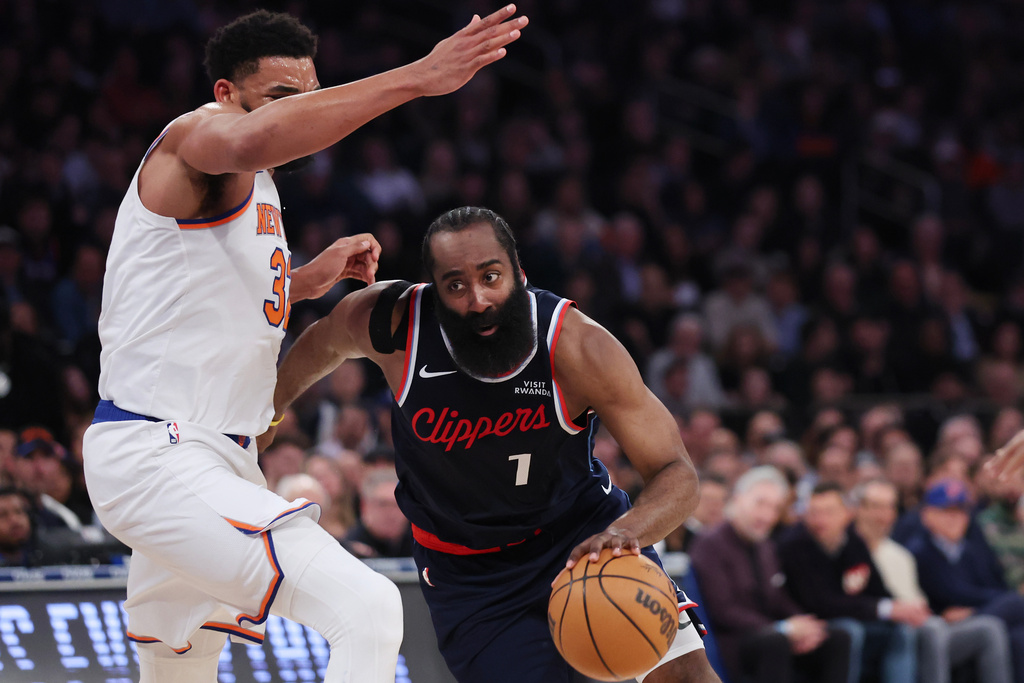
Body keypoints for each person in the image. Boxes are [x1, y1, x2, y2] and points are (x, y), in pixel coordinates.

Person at [81, 8, 528, 683]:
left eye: (313, 93)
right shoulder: (196, 135)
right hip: (161, 453)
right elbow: (252, 138)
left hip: (215, 457)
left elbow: (203, 305)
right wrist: (418, 77)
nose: (304, 113)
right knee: (369, 607)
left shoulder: (255, 192)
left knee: (181, 664)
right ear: (228, 94)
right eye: (284, 96)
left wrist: (307, 278)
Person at [264, 206, 719, 683]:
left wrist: (630, 530)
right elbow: (323, 342)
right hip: (471, 575)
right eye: (455, 285)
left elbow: (677, 472)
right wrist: (269, 412)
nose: (478, 299)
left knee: (688, 676)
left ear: (519, 274)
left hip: (582, 536)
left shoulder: (577, 346)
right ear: (434, 292)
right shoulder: (395, 324)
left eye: (491, 276)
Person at [689, 466, 851, 683]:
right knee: (775, 642)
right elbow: (723, 611)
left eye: (775, 508)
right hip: (731, 641)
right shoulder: (710, 543)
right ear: (737, 499)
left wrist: (802, 624)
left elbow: (777, 598)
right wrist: (781, 628)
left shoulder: (765, 545)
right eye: (760, 504)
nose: (767, 516)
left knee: (837, 636)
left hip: (769, 636)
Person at [853, 478, 1012, 683]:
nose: (883, 515)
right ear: (857, 509)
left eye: (889, 507)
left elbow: (919, 602)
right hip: (882, 627)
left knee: (989, 628)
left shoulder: (900, 555)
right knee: (930, 629)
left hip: (918, 626)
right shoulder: (849, 549)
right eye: (876, 507)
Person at [777, 482, 928, 683]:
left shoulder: (853, 541)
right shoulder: (794, 545)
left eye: (828, 512)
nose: (819, 520)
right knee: (849, 631)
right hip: (812, 626)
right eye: (813, 512)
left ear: (847, 513)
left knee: (900, 630)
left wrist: (899, 608)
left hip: (849, 617)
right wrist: (884, 608)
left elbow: (877, 588)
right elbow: (821, 603)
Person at [905, 479, 1024, 683]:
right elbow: (951, 592)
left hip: (974, 617)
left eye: (960, 511)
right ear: (927, 515)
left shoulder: (972, 550)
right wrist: (986, 606)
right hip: (939, 629)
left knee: (1019, 635)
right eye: (947, 511)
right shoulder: (919, 551)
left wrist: (973, 612)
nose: (955, 518)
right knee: (1014, 604)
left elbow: (997, 586)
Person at [341, 467, 413, 559]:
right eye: (383, 504)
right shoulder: (349, 549)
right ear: (364, 506)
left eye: (397, 505)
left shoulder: (421, 544)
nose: (391, 513)